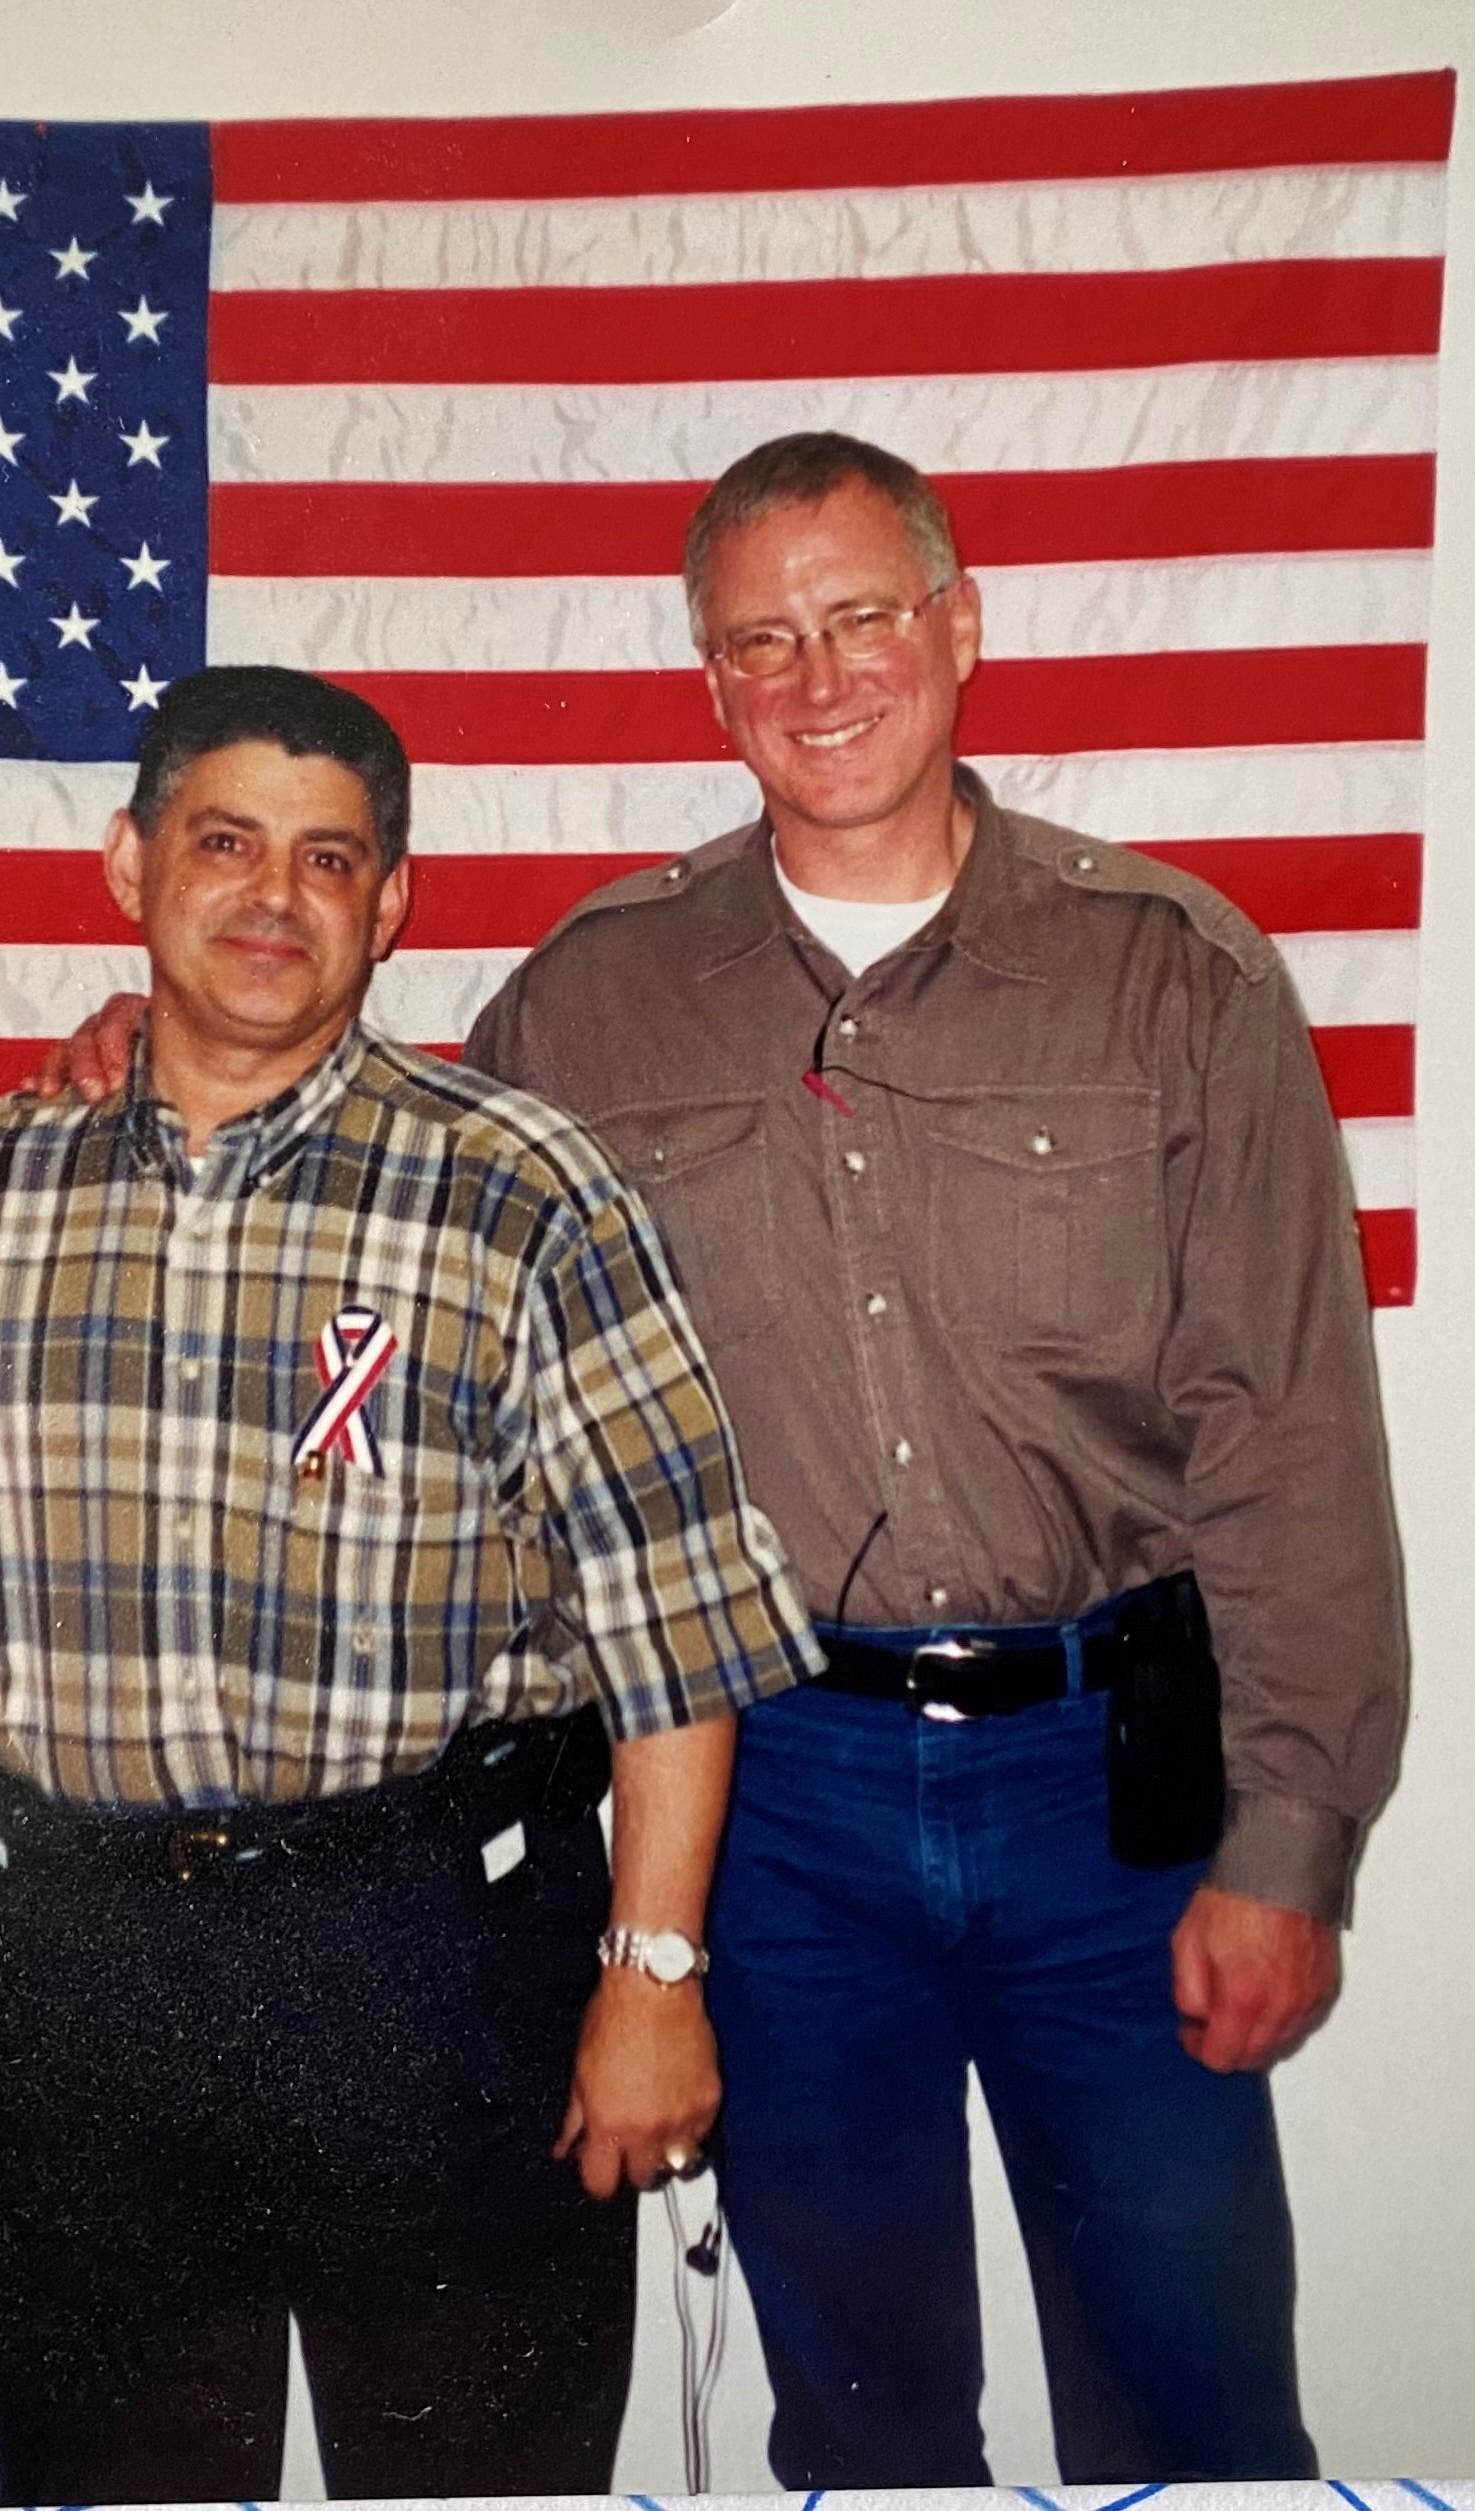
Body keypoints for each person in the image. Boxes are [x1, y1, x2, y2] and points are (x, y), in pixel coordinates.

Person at [463, 433, 1408, 2484]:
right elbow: (401, 1238)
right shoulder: (587, 1000)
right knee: (865, 2417)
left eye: (861, 617)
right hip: (775, 1803)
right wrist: (143, 1051)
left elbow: (1290, 1435)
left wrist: (1289, 1839)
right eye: (760, 642)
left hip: (1115, 1797)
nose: (817, 678)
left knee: (1198, 2406)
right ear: (711, 686)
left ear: (958, 628)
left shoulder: (1172, 968)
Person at [0, 664, 820, 2505]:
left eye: (330, 859)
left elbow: (676, 1628)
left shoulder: (519, 1190)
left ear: (389, 906)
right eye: (221, 842)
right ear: (126, 864)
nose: (270, 897)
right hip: (69, 1978)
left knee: (477, 2479)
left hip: (433, 1959)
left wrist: (653, 1979)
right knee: (104, 2482)